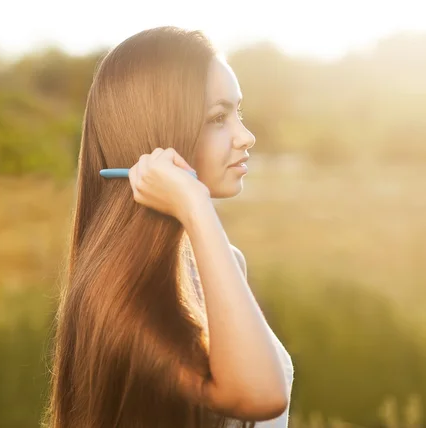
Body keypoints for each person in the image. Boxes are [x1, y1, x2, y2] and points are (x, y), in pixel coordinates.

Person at [44, 26, 294, 428]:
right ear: (160, 133)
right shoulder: (119, 297)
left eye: (238, 112)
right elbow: (261, 396)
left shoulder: (221, 264)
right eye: (217, 118)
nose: (245, 136)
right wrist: (196, 207)